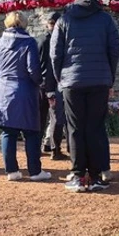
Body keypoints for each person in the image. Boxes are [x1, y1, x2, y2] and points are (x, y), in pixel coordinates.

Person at [51, 0, 119, 192]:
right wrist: (109, 76)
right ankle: (97, 176)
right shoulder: (105, 19)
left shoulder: (64, 19)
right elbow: (114, 49)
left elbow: (55, 53)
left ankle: (79, 176)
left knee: (75, 128)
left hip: (72, 81)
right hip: (99, 79)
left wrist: (60, 78)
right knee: (96, 128)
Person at [0, 11, 51, 181]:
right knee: (31, 132)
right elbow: (33, 69)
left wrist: (2, 79)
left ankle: (12, 171)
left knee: (8, 133)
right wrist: (39, 82)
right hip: (25, 90)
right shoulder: (29, 42)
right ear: (24, 24)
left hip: (3, 90)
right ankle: (35, 171)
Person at [38, 12, 68, 160]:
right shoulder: (56, 41)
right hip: (52, 83)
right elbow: (52, 66)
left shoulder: (40, 40)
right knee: (57, 118)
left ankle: (41, 146)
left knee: (41, 118)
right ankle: (55, 150)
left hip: (40, 84)